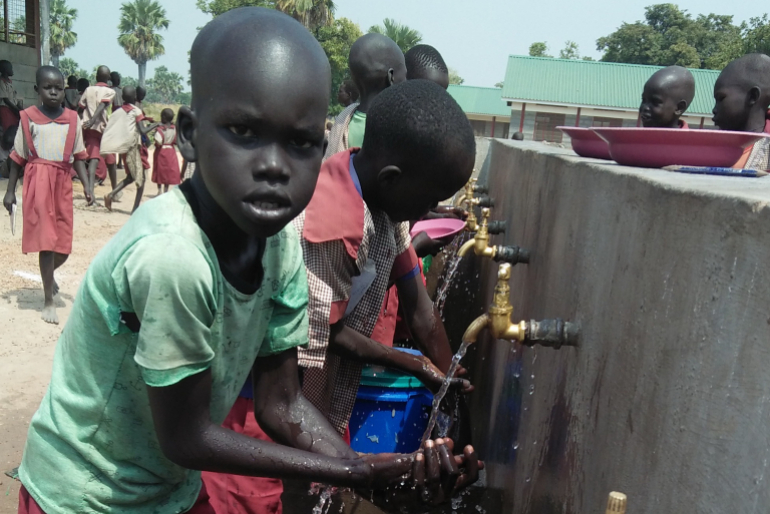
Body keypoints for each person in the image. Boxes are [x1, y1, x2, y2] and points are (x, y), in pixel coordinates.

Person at [14, 8, 479, 514]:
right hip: (86, 492)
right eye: (243, 132)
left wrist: (374, 474)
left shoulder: (277, 243)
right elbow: (185, 436)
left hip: (166, 487)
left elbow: (281, 405)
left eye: (300, 143)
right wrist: (357, 470)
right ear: (190, 134)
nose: (274, 167)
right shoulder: (175, 256)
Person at [297, 78, 476, 444]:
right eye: (429, 201)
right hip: (269, 402)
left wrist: (451, 384)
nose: (429, 211)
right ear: (392, 179)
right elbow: (323, 333)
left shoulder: (385, 207)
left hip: (316, 397)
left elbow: (421, 312)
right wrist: (413, 363)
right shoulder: (334, 220)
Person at [2, 66, 92, 324]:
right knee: (46, 242)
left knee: (63, 244)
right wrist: (10, 192)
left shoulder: (73, 119)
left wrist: (87, 186)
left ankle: (49, 276)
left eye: (58, 88)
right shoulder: (28, 118)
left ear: (65, 90)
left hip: (62, 182)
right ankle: (48, 301)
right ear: (37, 90)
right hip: (38, 181)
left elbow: (78, 157)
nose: (53, 92)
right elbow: (17, 158)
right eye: (47, 87)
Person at [325, 33, 406, 158]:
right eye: (405, 76)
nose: (406, 82)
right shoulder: (401, 125)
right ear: (391, 77)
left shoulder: (343, 121)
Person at [102, 86, 159, 213]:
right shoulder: (136, 111)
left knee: (131, 177)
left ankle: (111, 195)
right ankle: (135, 209)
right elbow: (142, 130)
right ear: (135, 97)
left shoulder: (117, 112)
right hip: (135, 148)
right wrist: (156, 125)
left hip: (124, 148)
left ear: (122, 97)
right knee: (140, 179)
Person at [713, 53, 770, 171]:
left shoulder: (767, 153)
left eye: (721, 98)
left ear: (752, 97)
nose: (714, 109)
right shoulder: (708, 149)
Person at [79, 65, 117, 197]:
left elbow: (81, 106)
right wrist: (95, 118)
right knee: (111, 160)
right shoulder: (110, 92)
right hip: (104, 128)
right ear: (108, 78)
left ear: (96, 76)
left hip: (90, 128)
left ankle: (90, 191)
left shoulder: (88, 90)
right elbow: (103, 105)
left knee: (93, 158)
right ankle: (115, 190)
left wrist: (86, 121)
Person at [152, 107, 181, 195]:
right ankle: (166, 190)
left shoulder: (160, 129)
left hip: (161, 151)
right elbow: (176, 141)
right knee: (168, 171)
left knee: (160, 171)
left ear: (163, 117)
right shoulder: (174, 128)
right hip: (171, 151)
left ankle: (159, 189)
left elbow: (158, 141)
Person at [0, 60, 22, 131]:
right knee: (8, 128)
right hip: (5, 109)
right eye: (10, 68)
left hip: (12, 109)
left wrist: (21, 109)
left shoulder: (10, 82)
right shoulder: (2, 82)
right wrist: (17, 110)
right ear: (5, 70)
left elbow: (15, 98)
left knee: (16, 127)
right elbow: (5, 100)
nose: (12, 70)